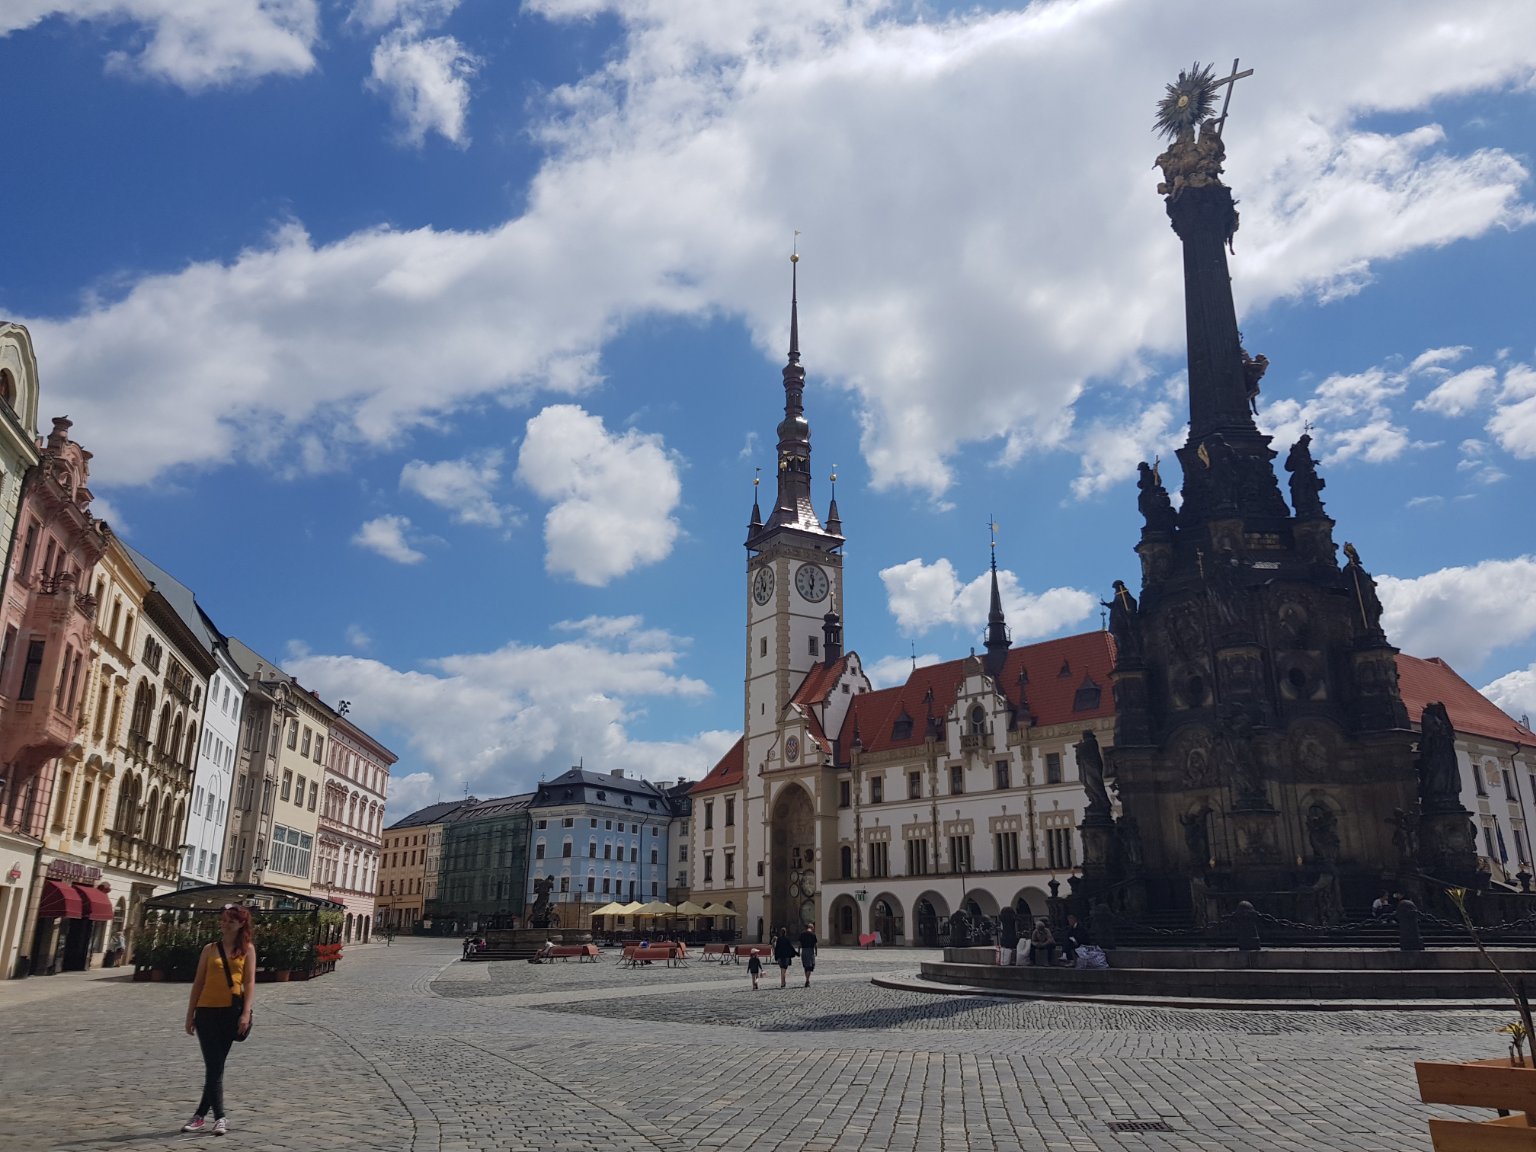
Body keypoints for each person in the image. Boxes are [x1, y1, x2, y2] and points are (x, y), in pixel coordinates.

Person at [182, 904, 255, 1136]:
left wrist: (246, 1013)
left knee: (215, 1067)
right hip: (206, 1012)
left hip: (230, 1013)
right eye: (223, 920)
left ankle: (200, 1116)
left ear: (241, 924)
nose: (224, 925)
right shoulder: (209, 949)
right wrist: (190, 1014)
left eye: (229, 921)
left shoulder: (247, 950)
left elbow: (250, 982)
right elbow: (198, 982)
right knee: (214, 1066)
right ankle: (220, 1117)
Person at [798, 923, 818, 987]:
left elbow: (799, 944)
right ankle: (807, 980)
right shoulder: (813, 935)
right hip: (810, 951)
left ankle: (807, 979)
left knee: (806, 966)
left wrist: (798, 951)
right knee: (810, 966)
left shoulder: (802, 934)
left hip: (804, 951)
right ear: (811, 928)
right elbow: (815, 945)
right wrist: (816, 952)